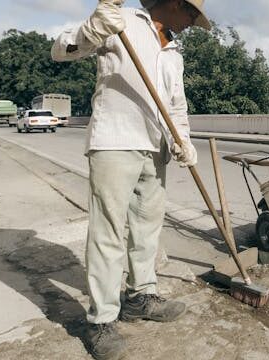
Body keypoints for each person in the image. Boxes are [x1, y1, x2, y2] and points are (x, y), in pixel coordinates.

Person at [51, 1, 211, 359]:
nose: (190, 23)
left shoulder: (174, 52)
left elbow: (176, 106)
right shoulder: (121, 20)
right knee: (108, 233)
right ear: (173, 3)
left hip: (156, 148)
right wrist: (90, 31)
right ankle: (101, 320)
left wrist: (183, 141)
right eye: (190, 14)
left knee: (147, 230)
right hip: (114, 141)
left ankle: (140, 297)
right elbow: (60, 49)